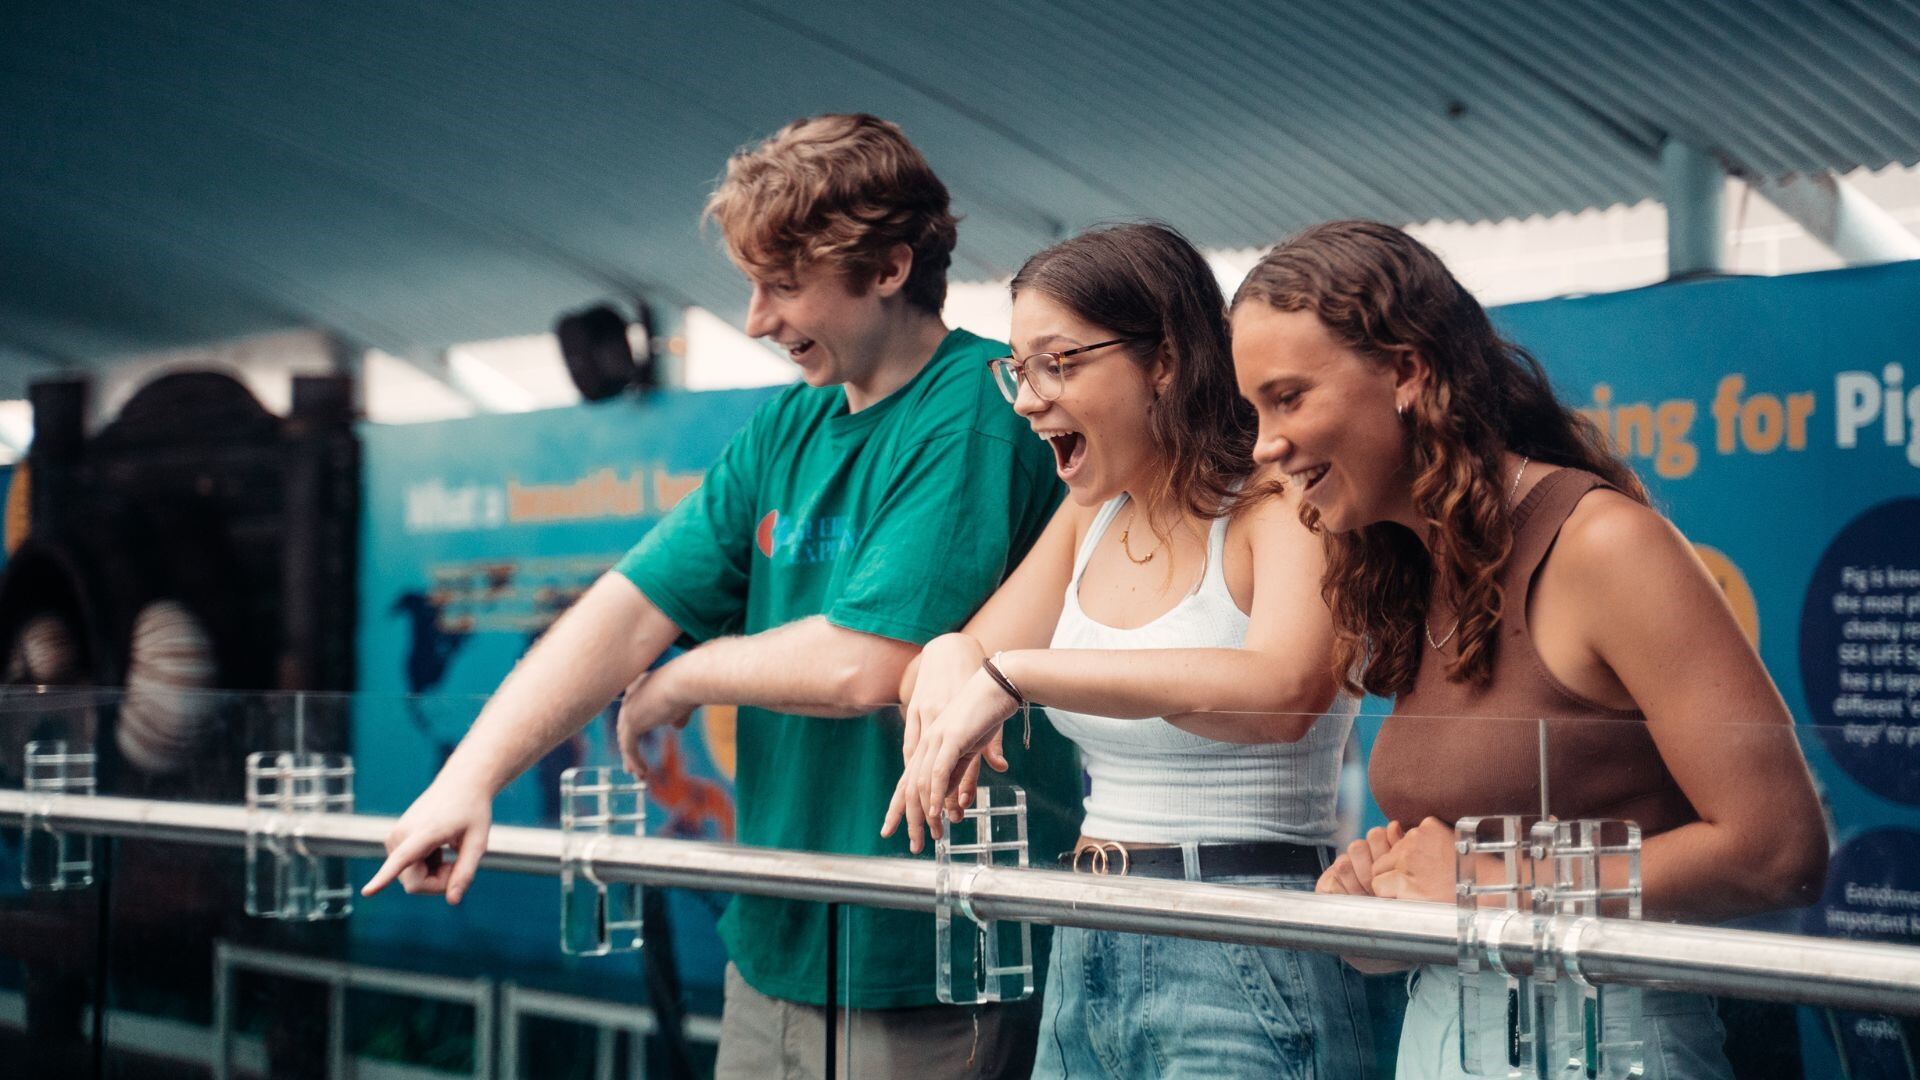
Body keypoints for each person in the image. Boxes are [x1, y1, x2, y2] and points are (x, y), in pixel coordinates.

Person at [363, 113, 1081, 1079]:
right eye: (753, 286)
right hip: (775, 942)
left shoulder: (976, 407)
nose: (755, 320)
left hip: (928, 958)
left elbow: (865, 663)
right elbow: (625, 609)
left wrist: (688, 674)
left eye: (785, 286)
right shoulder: (784, 427)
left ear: (889, 269)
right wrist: (469, 779)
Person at [1228, 219, 1829, 1079]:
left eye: (1288, 397)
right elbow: (1459, 862)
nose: (1263, 444)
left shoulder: (1603, 545)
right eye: (1256, 409)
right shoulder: (1410, 568)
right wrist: (1378, 901)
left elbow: (1777, 851)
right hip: (1442, 1029)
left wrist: (1485, 885)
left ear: (1407, 371)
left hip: (1601, 1041)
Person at [886, 223, 1373, 1078]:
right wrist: (947, 657)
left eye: (1059, 364)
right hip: (1088, 933)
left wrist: (1014, 674)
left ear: (1167, 361)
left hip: (1244, 940)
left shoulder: (1279, 501)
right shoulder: (1090, 514)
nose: (1028, 399)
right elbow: (969, 653)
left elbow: (1283, 692)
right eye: (1018, 370)